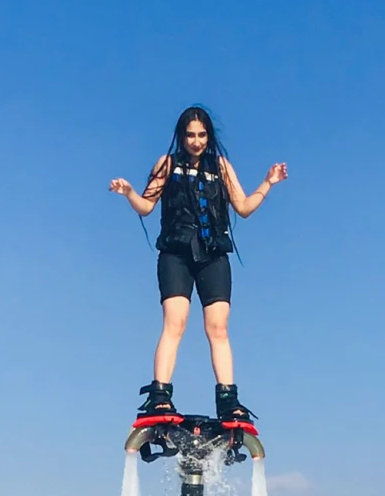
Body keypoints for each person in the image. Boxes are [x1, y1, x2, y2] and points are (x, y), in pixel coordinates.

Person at [109, 105, 287, 425]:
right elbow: (147, 206)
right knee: (175, 322)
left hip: (213, 254)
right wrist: (128, 192)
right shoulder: (166, 165)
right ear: (181, 136)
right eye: (190, 135)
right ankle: (161, 396)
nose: (196, 141)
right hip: (176, 254)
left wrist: (268, 183)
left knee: (217, 326)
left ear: (209, 136)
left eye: (201, 135)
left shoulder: (220, 167)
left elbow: (243, 207)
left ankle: (228, 399)